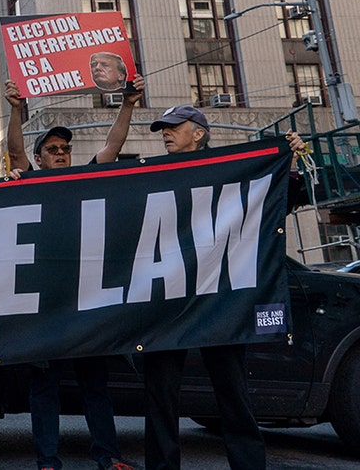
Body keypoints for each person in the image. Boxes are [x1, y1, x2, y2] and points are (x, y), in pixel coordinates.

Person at [141, 104, 305, 470]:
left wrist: (286, 162)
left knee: (232, 390)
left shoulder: (232, 171)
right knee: (161, 395)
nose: (165, 134)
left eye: (173, 127)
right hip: (168, 299)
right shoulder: (153, 174)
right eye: (162, 129)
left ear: (198, 133)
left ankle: (248, 464)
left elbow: (276, 203)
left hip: (221, 298)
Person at [6, 76, 145, 470]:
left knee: (95, 385)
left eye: (65, 148)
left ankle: (107, 454)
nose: (61, 153)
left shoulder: (86, 179)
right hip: (46, 306)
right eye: (52, 149)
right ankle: (47, 460)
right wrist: (16, 109)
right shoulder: (30, 182)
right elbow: (15, 152)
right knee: (45, 387)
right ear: (40, 159)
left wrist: (129, 105)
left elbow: (112, 147)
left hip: (86, 303)